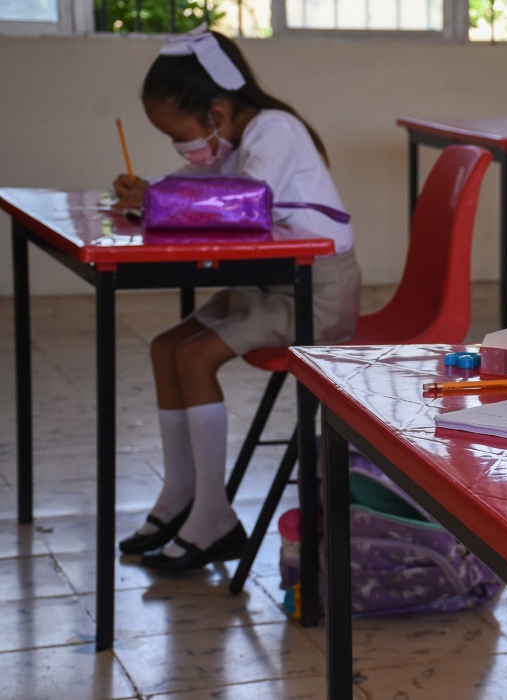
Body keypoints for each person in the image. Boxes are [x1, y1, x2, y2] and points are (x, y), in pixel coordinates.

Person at [114, 24, 361, 572]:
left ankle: (214, 517)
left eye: (181, 135)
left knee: (195, 356)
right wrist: (148, 193)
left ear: (218, 114)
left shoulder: (274, 131)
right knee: (166, 347)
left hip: (316, 292)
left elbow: (240, 205)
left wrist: (158, 202)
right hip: (267, 282)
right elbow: (197, 187)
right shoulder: (238, 140)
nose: (182, 148)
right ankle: (181, 495)